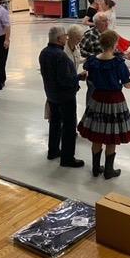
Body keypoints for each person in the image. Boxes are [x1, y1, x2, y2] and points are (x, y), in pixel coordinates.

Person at [78, 30, 130, 179]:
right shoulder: (118, 63)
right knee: (111, 136)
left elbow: (89, 76)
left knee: (97, 135)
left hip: (97, 99)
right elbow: (127, 84)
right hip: (114, 100)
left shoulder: (93, 61)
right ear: (115, 44)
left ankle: (96, 168)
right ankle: (109, 170)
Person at [39, 26, 88, 167]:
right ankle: (67, 158)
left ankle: (53, 150)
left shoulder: (44, 52)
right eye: (64, 36)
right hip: (65, 96)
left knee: (55, 123)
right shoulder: (60, 56)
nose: (66, 38)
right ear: (59, 38)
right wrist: (79, 77)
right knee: (69, 127)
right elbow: (65, 80)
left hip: (51, 94)